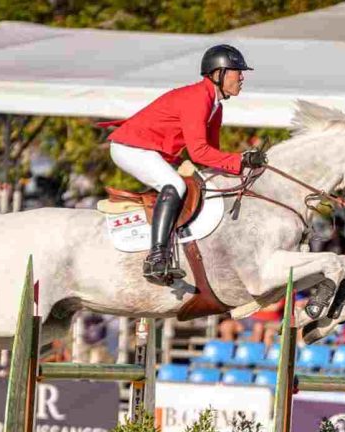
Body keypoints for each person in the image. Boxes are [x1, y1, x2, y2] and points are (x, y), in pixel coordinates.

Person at [104, 44, 264, 285]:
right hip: (130, 147)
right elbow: (199, 153)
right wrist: (240, 160)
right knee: (174, 185)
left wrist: (242, 166)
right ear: (218, 73)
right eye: (237, 71)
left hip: (150, 150)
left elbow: (212, 154)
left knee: (201, 182)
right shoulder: (197, 98)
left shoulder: (216, 106)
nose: (242, 77)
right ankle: (157, 258)